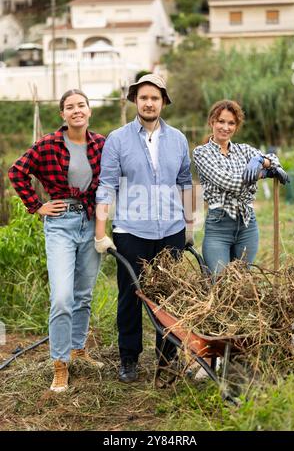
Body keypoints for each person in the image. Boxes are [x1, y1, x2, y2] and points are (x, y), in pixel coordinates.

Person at [94, 74, 193, 383]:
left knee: (170, 295)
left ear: (163, 102)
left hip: (172, 229)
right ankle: (129, 358)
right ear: (135, 101)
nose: (149, 103)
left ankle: (167, 358)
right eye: (143, 97)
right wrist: (101, 231)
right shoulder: (117, 139)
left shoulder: (177, 138)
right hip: (131, 231)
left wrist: (189, 224)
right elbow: (106, 186)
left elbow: (185, 183)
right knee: (131, 295)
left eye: (155, 98)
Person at [8, 89, 105, 393]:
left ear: (89, 111)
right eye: (70, 107)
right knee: (62, 297)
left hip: (90, 222)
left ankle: (78, 350)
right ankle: (60, 364)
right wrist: (36, 206)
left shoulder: (101, 143)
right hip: (60, 223)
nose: (76, 110)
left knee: (84, 294)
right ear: (62, 114)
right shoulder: (48, 144)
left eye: (81, 105)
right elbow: (17, 172)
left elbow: (113, 179)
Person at [193, 99, 289, 276]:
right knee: (220, 285)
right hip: (219, 225)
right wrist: (264, 174)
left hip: (247, 224)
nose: (225, 127)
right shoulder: (202, 152)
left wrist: (261, 161)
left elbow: (275, 160)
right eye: (221, 121)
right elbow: (227, 182)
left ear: (236, 127)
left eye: (231, 123)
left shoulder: (243, 150)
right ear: (212, 122)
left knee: (242, 286)